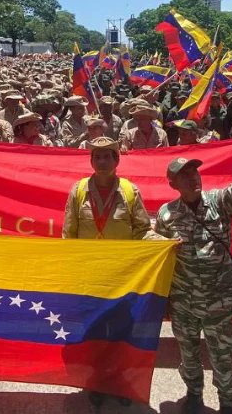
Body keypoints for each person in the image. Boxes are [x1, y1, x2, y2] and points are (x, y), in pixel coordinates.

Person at [153, 134, 232, 414]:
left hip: (218, 301)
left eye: (194, 173)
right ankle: (194, 395)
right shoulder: (166, 215)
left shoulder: (220, 201)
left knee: (223, 356)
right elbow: (159, 258)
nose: (192, 179)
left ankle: (227, 402)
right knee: (188, 355)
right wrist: (163, 299)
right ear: (173, 184)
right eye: (184, 176)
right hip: (184, 302)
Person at [61, 135, 158, 407]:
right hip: (90, 277)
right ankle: (97, 381)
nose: (102, 161)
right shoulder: (79, 191)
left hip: (122, 277)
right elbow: (68, 235)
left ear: (117, 161)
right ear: (91, 161)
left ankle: (119, 382)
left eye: (107, 156)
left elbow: (142, 231)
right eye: (97, 157)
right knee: (94, 332)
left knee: (121, 331)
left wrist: (164, 243)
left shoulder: (129, 191)